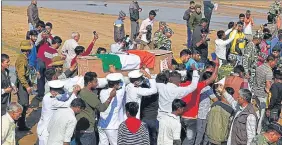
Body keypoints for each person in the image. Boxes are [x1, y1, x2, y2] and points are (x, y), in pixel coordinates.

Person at [181, 60, 219, 145]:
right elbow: (212, 78)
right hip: (192, 117)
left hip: (182, 116)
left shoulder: (182, 85)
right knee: (191, 139)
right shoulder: (197, 86)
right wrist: (217, 66)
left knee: (187, 136)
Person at [75, 72, 116, 145]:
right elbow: (102, 108)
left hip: (79, 128)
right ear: (89, 83)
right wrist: (110, 97)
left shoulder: (81, 91)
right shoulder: (88, 94)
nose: (97, 83)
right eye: (95, 81)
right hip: (87, 131)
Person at [37, 80, 80, 145]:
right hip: (45, 131)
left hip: (49, 128)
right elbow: (67, 104)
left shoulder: (50, 95)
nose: (61, 93)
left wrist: (72, 89)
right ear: (53, 92)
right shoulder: (51, 100)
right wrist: (74, 93)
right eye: (60, 92)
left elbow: (64, 96)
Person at [32, 36, 62, 108]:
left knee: (40, 82)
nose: (59, 46)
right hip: (50, 71)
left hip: (41, 69)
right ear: (57, 43)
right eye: (59, 44)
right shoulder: (54, 52)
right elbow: (56, 62)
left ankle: (41, 96)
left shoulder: (44, 47)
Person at [98, 73, 126, 145]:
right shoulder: (119, 93)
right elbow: (123, 83)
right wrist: (116, 72)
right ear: (115, 85)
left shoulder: (102, 92)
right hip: (112, 127)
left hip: (101, 124)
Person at [254, 55, 278, 134]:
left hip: (256, 93)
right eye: (275, 61)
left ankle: (254, 125)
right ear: (270, 61)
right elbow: (268, 85)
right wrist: (271, 94)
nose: (275, 63)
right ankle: (258, 131)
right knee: (263, 114)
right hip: (263, 96)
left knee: (258, 111)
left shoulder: (259, 67)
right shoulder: (269, 71)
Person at [195, 72, 219, 145]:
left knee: (199, 133)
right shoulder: (207, 88)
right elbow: (216, 100)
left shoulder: (199, 85)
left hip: (197, 112)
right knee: (202, 133)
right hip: (203, 114)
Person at [15, 40, 32, 131]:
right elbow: (21, 75)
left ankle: (21, 124)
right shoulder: (22, 59)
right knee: (23, 105)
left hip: (23, 83)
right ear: (28, 50)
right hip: (22, 85)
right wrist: (27, 86)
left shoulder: (23, 57)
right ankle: (20, 124)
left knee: (23, 105)